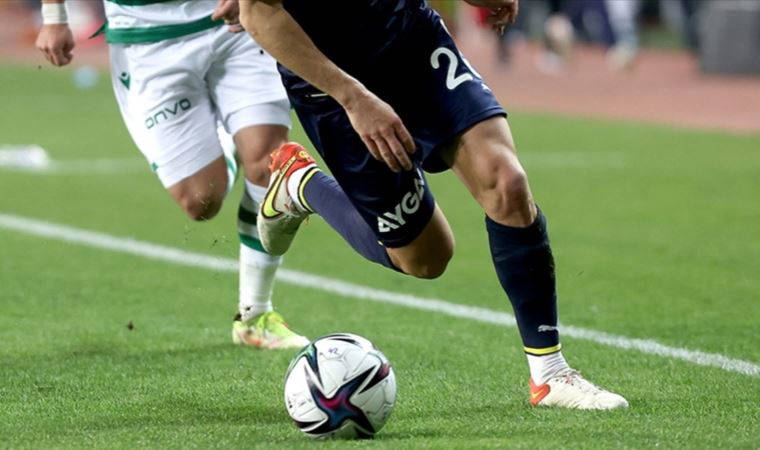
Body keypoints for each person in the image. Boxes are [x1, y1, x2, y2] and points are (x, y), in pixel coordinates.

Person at [233, 0, 629, 409]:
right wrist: (355, 99)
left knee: (507, 182)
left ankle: (549, 374)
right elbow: (259, 14)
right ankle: (302, 185)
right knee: (426, 257)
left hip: (410, 38)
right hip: (331, 84)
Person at [35, 0, 308, 350]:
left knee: (267, 162)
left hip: (235, 24)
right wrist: (54, 16)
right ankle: (227, 132)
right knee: (201, 201)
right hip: (148, 39)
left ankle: (255, 315)